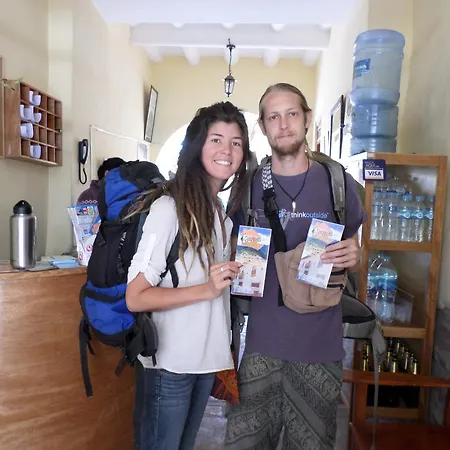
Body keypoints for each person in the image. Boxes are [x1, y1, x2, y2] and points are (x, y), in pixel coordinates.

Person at [225, 83, 366, 450]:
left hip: (320, 348)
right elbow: (228, 249)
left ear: (306, 119)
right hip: (260, 346)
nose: (283, 124)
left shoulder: (338, 182)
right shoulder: (247, 187)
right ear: (262, 126)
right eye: (273, 117)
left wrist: (356, 255)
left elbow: (355, 248)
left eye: (291, 114)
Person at [125, 101, 250, 450]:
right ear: (197, 146)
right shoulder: (169, 208)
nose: (227, 150)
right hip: (171, 363)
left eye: (236, 142)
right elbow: (136, 296)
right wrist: (206, 289)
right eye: (216, 139)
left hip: (204, 361)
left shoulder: (219, 213)